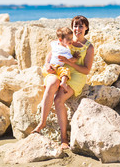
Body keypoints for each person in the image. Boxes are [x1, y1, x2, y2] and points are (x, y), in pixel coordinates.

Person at [32, 15, 94, 149]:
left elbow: (86, 70)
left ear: (86, 28)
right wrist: (47, 64)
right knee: (52, 84)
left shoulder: (88, 47)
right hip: (59, 69)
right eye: (75, 26)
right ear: (72, 27)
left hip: (77, 74)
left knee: (59, 99)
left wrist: (67, 62)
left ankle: (64, 138)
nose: (78, 29)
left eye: (81, 26)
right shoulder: (65, 39)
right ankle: (42, 123)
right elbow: (51, 55)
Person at [42, 27, 78, 93]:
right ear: (61, 40)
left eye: (72, 38)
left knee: (48, 76)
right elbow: (72, 60)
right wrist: (76, 57)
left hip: (46, 67)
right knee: (66, 71)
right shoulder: (65, 50)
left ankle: (45, 83)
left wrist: (47, 63)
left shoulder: (55, 45)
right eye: (68, 39)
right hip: (56, 67)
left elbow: (52, 46)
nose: (71, 40)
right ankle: (63, 83)